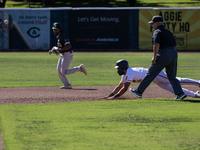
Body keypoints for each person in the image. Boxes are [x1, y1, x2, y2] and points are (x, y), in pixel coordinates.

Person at [130, 15, 187, 100]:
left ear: (157, 23)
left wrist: (154, 57)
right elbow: (175, 45)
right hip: (173, 53)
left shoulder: (157, 31)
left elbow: (156, 44)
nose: (152, 25)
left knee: (150, 73)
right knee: (172, 76)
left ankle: (139, 92)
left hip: (164, 53)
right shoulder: (168, 31)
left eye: (153, 23)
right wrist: (172, 56)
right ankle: (180, 93)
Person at [103, 59, 200, 100]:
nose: (117, 70)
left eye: (118, 68)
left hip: (156, 74)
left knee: (177, 81)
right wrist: (108, 96)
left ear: (123, 67)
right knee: (172, 89)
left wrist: (113, 98)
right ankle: (195, 95)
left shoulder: (129, 73)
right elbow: (119, 86)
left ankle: (198, 82)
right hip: (155, 79)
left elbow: (124, 89)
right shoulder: (124, 75)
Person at [49, 22, 87, 89]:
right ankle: (67, 85)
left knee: (64, 72)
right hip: (63, 55)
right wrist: (53, 51)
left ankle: (79, 68)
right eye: (54, 29)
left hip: (67, 55)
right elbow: (59, 48)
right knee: (59, 70)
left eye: (56, 29)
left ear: (59, 29)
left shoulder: (62, 36)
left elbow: (68, 46)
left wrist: (59, 50)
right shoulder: (58, 36)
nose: (55, 30)